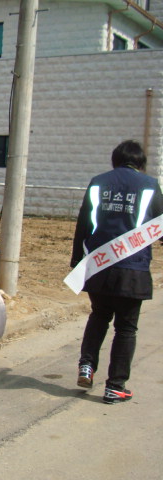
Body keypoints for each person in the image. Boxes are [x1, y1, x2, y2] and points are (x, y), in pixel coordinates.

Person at [70, 139, 163, 404]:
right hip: (132, 269)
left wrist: (77, 260)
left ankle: (86, 366)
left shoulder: (98, 182)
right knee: (126, 328)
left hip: (99, 266)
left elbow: (84, 223)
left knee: (99, 315)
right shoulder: (150, 185)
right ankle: (115, 386)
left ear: (115, 160)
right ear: (140, 162)